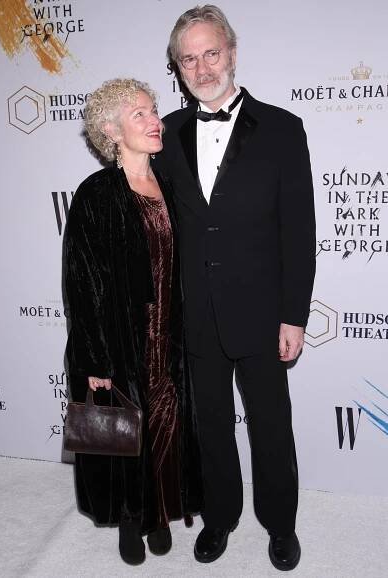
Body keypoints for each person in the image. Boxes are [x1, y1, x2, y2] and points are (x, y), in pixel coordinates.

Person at [154, 4, 316, 570]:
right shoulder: (166, 134)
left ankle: (281, 524)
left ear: (232, 52)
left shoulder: (282, 128)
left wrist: (294, 315)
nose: (201, 67)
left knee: (271, 426)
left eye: (210, 53)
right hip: (194, 311)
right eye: (188, 59)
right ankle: (219, 517)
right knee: (211, 427)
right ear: (177, 67)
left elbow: (299, 230)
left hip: (264, 311)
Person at [64, 78, 202, 566]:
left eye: (153, 110)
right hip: (123, 339)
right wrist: (94, 358)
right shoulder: (96, 194)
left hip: (173, 334)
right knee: (125, 432)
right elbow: (82, 284)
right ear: (111, 130)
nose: (154, 121)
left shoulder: (170, 183)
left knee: (167, 424)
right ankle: (129, 518)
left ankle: (160, 512)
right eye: (139, 114)